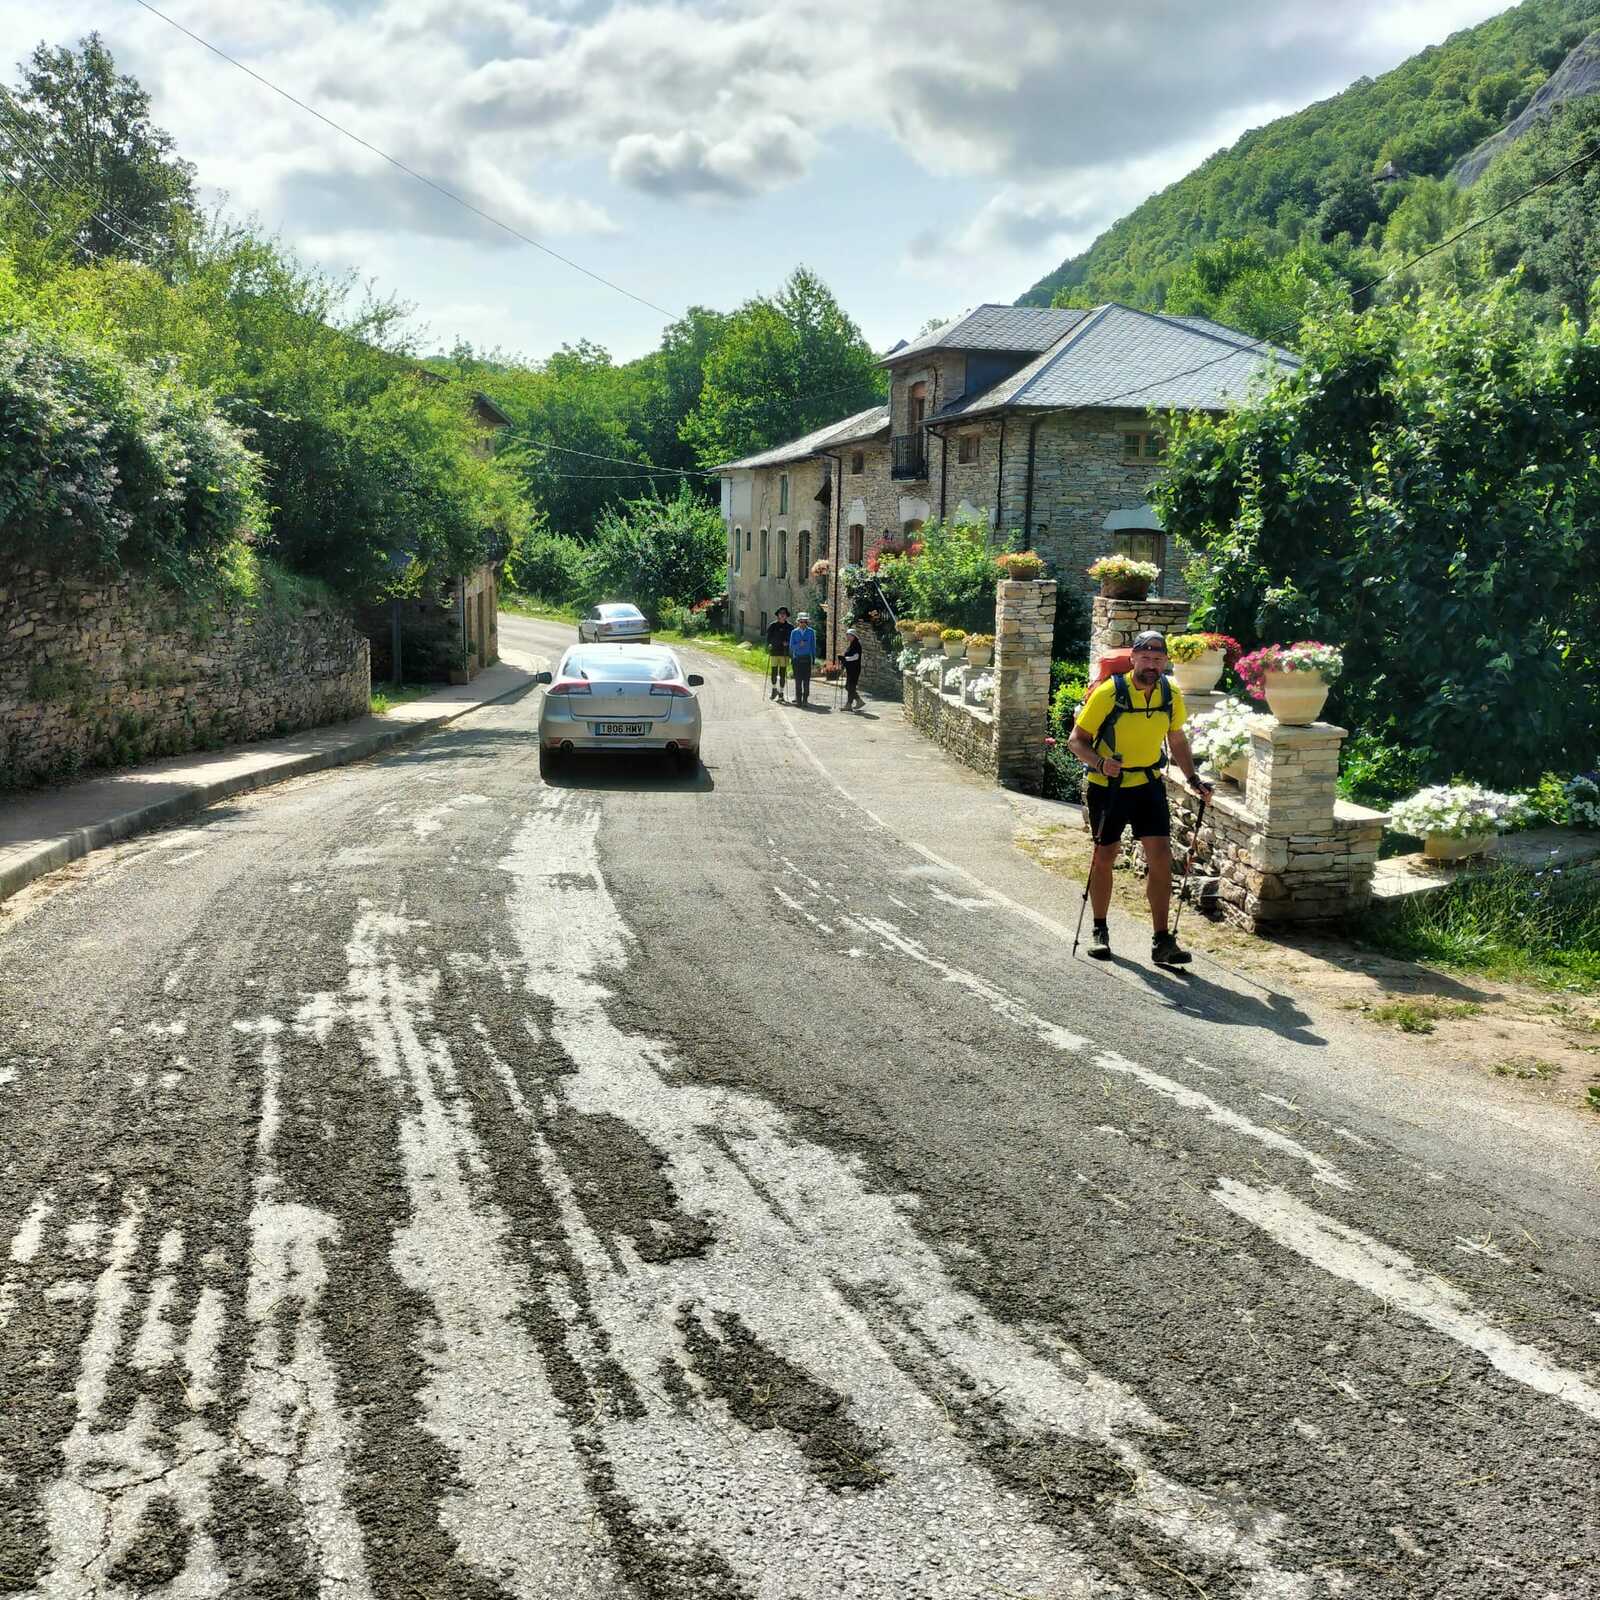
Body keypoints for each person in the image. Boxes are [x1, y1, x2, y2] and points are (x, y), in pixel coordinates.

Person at [1066, 630, 1211, 966]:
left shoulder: (1170, 693)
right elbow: (1077, 741)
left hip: (1148, 784)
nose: (1151, 665)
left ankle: (1162, 941)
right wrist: (1102, 763)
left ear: (1165, 662)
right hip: (1108, 787)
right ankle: (1099, 929)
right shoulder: (1109, 694)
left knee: (1161, 857)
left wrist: (1192, 779)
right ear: (1133, 659)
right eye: (1145, 658)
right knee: (1105, 857)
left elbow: (1176, 740)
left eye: (1158, 659)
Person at [788, 611, 817, 705]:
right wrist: (799, 645)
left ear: (807, 622)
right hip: (797, 659)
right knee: (798, 680)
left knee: (806, 681)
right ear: (798, 622)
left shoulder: (811, 632)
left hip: (807, 658)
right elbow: (791, 646)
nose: (803, 623)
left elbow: (813, 646)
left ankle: (805, 699)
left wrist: (813, 658)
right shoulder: (794, 632)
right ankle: (798, 700)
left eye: (805, 622)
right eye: (801, 622)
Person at [766, 607, 792, 702]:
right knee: (773, 672)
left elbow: (792, 640)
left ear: (786, 616)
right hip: (774, 652)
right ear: (777, 615)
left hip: (784, 653)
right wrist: (769, 645)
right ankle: (774, 690)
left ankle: (781, 693)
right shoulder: (772, 626)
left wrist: (788, 643)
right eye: (780, 613)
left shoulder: (790, 627)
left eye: (784, 614)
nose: (782, 615)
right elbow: (768, 638)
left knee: (782, 673)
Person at [840, 625, 864, 711]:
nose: (847, 636)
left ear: (853, 636)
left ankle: (849, 704)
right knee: (848, 687)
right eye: (847, 635)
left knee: (850, 687)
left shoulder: (856, 645)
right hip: (851, 669)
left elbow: (856, 657)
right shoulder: (852, 644)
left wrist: (845, 659)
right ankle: (859, 701)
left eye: (848, 635)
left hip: (855, 669)